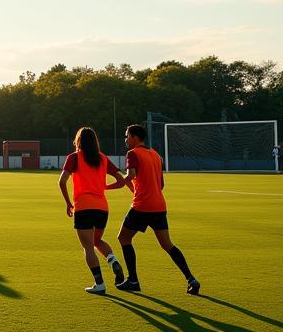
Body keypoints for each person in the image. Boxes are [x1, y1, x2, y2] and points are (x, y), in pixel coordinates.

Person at [115, 124, 200, 295]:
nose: (125, 139)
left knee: (123, 238)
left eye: (127, 136)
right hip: (159, 206)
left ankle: (133, 280)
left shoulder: (132, 154)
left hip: (141, 206)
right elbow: (161, 184)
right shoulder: (155, 155)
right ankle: (191, 279)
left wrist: (118, 182)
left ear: (135, 137)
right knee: (167, 244)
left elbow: (130, 175)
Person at [58, 126, 128, 294]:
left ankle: (100, 284)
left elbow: (62, 181)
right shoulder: (102, 158)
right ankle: (113, 261)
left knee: (88, 247)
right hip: (102, 208)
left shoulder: (74, 158)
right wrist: (105, 188)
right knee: (97, 241)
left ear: (78, 141)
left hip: (83, 207)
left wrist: (68, 203)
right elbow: (122, 180)